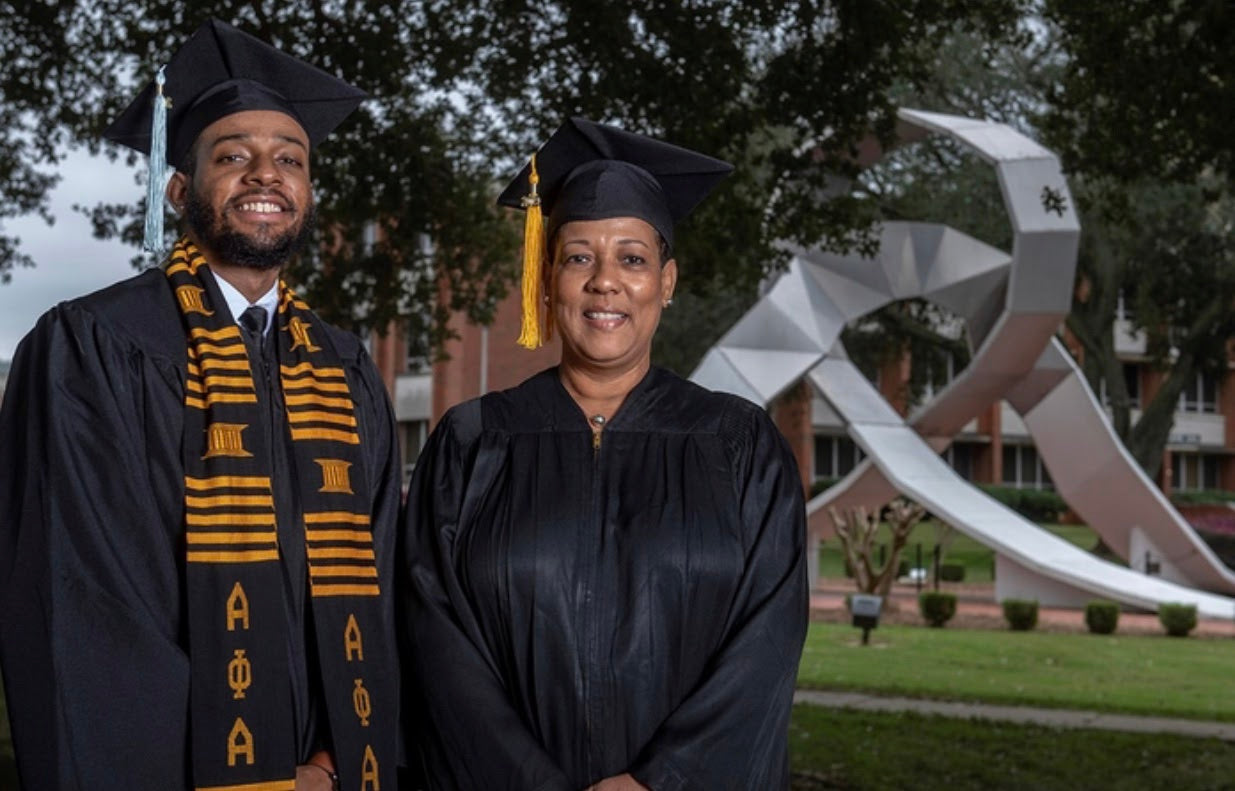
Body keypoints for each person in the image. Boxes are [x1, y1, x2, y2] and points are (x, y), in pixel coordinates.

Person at [0, 19, 401, 791]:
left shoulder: (342, 367)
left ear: (308, 190)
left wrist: (328, 759)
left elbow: (376, 576)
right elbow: (88, 600)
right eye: (233, 156)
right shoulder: (93, 345)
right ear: (180, 189)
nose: (265, 174)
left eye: (290, 158)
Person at [400, 118, 808, 790]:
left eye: (633, 257)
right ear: (547, 277)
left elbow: (766, 641)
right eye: (579, 256)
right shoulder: (471, 441)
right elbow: (435, 644)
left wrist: (660, 780)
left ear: (666, 280)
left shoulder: (739, 445)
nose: (605, 281)